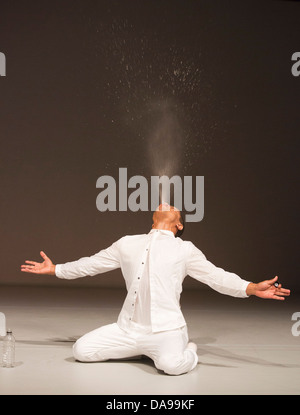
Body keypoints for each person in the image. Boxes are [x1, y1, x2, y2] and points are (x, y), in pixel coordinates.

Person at [21, 203, 290, 376]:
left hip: (167, 331)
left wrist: (251, 288)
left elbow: (216, 276)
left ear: (179, 225)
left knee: (173, 367)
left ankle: (189, 348)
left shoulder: (184, 249)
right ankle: (142, 349)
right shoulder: (126, 243)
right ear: (153, 219)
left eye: (176, 209)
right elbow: (91, 264)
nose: (168, 204)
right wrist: (56, 269)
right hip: (127, 329)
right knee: (81, 351)